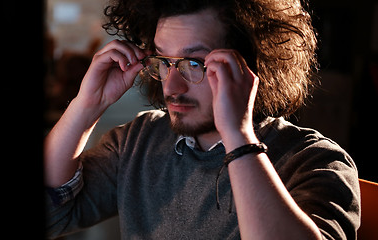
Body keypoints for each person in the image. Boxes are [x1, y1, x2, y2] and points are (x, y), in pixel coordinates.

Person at [45, 0, 360, 239]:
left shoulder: (315, 161)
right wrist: (87, 105)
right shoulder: (139, 141)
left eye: (194, 63)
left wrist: (238, 137)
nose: (171, 86)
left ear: (251, 67)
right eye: (165, 61)